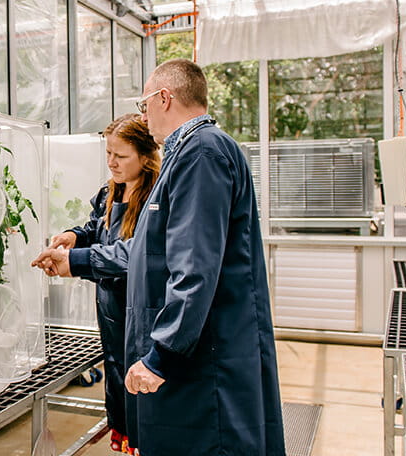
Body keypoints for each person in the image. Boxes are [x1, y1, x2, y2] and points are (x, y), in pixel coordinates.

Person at [32, 59, 285, 455]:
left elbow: (193, 267)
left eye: (144, 103)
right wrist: (76, 258)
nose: (143, 114)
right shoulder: (188, 155)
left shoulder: (202, 153)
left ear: (165, 98)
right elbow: (152, 249)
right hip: (194, 351)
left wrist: (161, 354)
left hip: (206, 358)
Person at [49, 113, 159, 454]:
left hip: (142, 311)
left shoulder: (156, 200)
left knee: (142, 382)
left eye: (121, 156)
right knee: (116, 372)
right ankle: (127, 437)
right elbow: (95, 227)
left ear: (145, 156)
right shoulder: (111, 191)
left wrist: (76, 263)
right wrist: (72, 236)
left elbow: (132, 255)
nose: (111, 162)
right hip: (111, 309)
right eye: (108, 153)